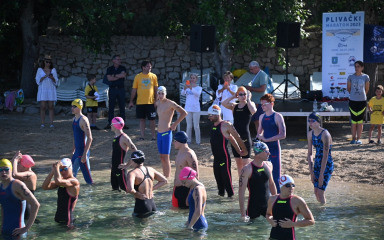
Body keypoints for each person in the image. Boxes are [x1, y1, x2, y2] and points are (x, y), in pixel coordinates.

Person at [208, 105, 248, 197]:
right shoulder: (213, 125)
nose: (209, 117)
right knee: (219, 183)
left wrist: (243, 151)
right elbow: (230, 138)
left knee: (227, 182)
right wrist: (238, 150)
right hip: (216, 159)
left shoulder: (226, 125)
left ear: (216, 114)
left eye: (210, 115)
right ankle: (220, 203)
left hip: (224, 159)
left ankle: (231, 201)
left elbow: (237, 138)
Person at [266, 175, 315, 240]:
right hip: (273, 237)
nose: (291, 187)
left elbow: (311, 221)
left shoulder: (298, 201)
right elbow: (268, 214)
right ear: (281, 186)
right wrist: (270, 221)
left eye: (293, 185)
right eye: (288, 185)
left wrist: (293, 224)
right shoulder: (272, 199)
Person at [222, 86, 257, 176]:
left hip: (245, 136)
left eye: (244, 94)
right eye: (240, 94)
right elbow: (224, 103)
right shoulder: (234, 106)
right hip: (235, 136)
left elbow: (253, 111)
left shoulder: (250, 104)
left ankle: (247, 180)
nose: (243, 96)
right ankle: (241, 180)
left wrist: (248, 99)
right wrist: (234, 96)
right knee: (238, 162)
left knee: (246, 162)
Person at [0, 158, 39, 239]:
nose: (3, 172)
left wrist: (26, 228)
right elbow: (4, 207)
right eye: (0, 170)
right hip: (5, 231)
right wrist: (2, 226)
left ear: (11, 170)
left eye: (6, 169)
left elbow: (36, 204)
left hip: (18, 233)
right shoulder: (1, 187)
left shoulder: (18, 185)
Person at [238, 141, 276, 221]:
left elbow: (272, 184)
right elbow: (241, 192)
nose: (269, 153)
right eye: (266, 151)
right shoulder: (247, 169)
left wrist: (277, 203)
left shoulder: (269, 165)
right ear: (258, 153)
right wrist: (243, 214)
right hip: (253, 208)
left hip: (267, 206)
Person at [124, 150, 168, 218]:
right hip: (152, 204)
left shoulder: (132, 173)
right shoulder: (150, 169)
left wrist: (138, 194)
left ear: (132, 160)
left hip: (142, 204)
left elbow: (130, 189)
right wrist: (151, 189)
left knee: (139, 227)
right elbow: (164, 181)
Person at [257, 93, 286, 193]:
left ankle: (278, 197)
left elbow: (282, 135)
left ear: (272, 104)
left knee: (276, 174)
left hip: (274, 148)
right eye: (261, 105)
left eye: (264, 104)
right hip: (264, 149)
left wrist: (266, 139)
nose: (263, 106)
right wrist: (258, 140)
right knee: (263, 172)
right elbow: (259, 133)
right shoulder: (261, 117)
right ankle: (265, 196)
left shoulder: (277, 116)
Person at [156, 86, 187, 178]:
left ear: (165, 94)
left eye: (162, 93)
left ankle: (167, 177)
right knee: (162, 157)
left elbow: (184, 113)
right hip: (159, 133)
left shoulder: (170, 103)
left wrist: (175, 124)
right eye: (159, 93)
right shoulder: (158, 103)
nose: (161, 95)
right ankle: (164, 176)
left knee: (166, 157)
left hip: (166, 132)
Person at [42, 158, 80, 227]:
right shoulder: (61, 181)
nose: (63, 172)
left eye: (65, 169)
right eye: (61, 170)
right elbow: (45, 187)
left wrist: (57, 168)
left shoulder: (74, 182)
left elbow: (58, 181)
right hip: (58, 217)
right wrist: (53, 171)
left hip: (68, 221)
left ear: (70, 168)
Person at [306, 112, 334, 204]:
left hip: (326, 164)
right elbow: (309, 154)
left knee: (320, 192)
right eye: (309, 121)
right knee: (316, 192)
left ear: (318, 122)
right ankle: (320, 212)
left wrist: (321, 175)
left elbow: (325, 156)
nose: (310, 123)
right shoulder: (310, 134)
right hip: (317, 163)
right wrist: (311, 172)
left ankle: (323, 214)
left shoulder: (325, 135)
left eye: (312, 121)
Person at [129, 60, 158, 140]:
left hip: (151, 102)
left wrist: (156, 100)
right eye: (148, 66)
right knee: (142, 119)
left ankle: (153, 136)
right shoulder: (138, 77)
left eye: (150, 66)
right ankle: (142, 136)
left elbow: (156, 89)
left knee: (152, 120)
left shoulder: (153, 76)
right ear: (143, 67)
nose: (150, 68)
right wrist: (131, 101)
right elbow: (134, 89)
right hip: (140, 102)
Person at [172, 131, 199, 209]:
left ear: (179, 141)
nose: (173, 143)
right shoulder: (180, 152)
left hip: (186, 190)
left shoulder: (189, 154)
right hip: (177, 189)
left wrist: (190, 194)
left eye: (174, 141)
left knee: (185, 214)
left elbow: (196, 175)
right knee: (176, 214)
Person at [110, 117, 137, 192]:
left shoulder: (124, 137)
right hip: (114, 169)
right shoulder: (116, 137)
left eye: (111, 124)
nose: (110, 125)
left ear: (115, 125)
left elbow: (136, 152)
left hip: (121, 169)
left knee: (127, 190)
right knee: (115, 191)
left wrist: (127, 165)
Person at [70, 99, 93, 184]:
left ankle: (90, 195)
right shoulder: (74, 119)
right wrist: (73, 150)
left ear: (80, 107)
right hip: (76, 153)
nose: (72, 108)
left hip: (83, 153)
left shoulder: (84, 120)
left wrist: (84, 154)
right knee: (71, 175)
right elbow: (75, 137)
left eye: (74, 106)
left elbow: (90, 138)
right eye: (72, 106)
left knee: (88, 180)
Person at [347, 60, 370, 144]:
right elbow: (348, 89)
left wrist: (361, 96)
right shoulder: (350, 77)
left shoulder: (366, 77)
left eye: (358, 66)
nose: (356, 68)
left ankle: (358, 139)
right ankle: (353, 139)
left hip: (362, 102)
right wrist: (354, 95)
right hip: (352, 101)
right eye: (355, 66)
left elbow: (367, 89)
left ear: (362, 67)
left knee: (360, 121)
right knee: (353, 121)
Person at [11, 151, 37, 221]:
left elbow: (14, 174)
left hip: (27, 209)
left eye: (19, 164)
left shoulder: (30, 175)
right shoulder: (25, 173)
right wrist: (14, 159)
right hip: (24, 206)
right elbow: (10, 172)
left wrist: (15, 160)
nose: (17, 165)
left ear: (24, 166)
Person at [244, 61, 269, 132]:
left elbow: (262, 89)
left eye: (251, 69)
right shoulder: (256, 75)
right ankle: (259, 137)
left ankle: (262, 137)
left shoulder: (262, 75)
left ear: (256, 67)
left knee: (259, 121)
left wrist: (250, 88)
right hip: (255, 101)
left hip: (260, 102)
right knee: (255, 120)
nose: (250, 71)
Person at [104, 55, 128, 130]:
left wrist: (114, 75)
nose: (119, 60)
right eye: (117, 59)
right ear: (113, 60)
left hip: (121, 89)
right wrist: (118, 76)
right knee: (111, 107)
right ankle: (110, 123)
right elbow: (109, 78)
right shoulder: (109, 69)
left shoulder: (123, 68)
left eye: (120, 59)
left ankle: (123, 123)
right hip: (113, 89)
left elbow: (123, 75)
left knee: (122, 107)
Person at [35, 55, 59, 128]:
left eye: (49, 62)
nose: (48, 63)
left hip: (50, 89)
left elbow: (56, 81)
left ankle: (51, 123)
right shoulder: (40, 70)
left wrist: (52, 78)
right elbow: (37, 80)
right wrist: (45, 76)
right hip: (43, 89)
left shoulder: (53, 70)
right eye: (47, 62)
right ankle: (42, 123)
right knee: (43, 106)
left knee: (51, 106)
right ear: (44, 62)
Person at [181, 73, 202, 144]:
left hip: (196, 109)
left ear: (196, 79)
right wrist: (185, 88)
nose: (192, 79)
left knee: (196, 126)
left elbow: (197, 94)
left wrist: (190, 88)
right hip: (188, 108)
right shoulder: (187, 87)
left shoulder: (199, 88)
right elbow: (182, 93)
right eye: (191, 78)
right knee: (189, 126)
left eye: (194, 78)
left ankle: (198, 141)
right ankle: (188, 140)